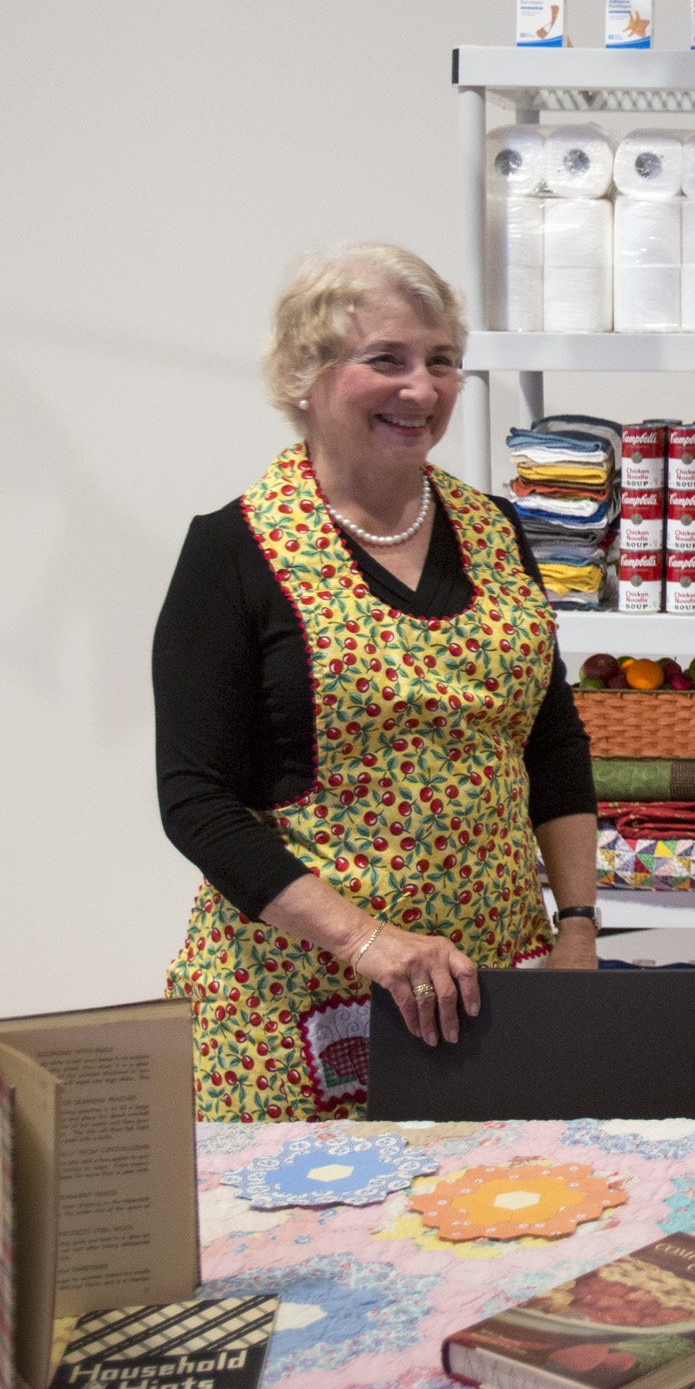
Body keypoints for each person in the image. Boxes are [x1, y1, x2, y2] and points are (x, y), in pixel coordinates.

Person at [154, 244, 597, 1121]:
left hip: (497, 983)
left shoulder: (496, 530)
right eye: (386, 360)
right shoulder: (235, 554)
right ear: (301, 377)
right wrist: (367, 940)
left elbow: (551, 741)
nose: (422, 390)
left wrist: (579, 923)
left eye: (441, 363)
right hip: (303, 997)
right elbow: (195, 801)